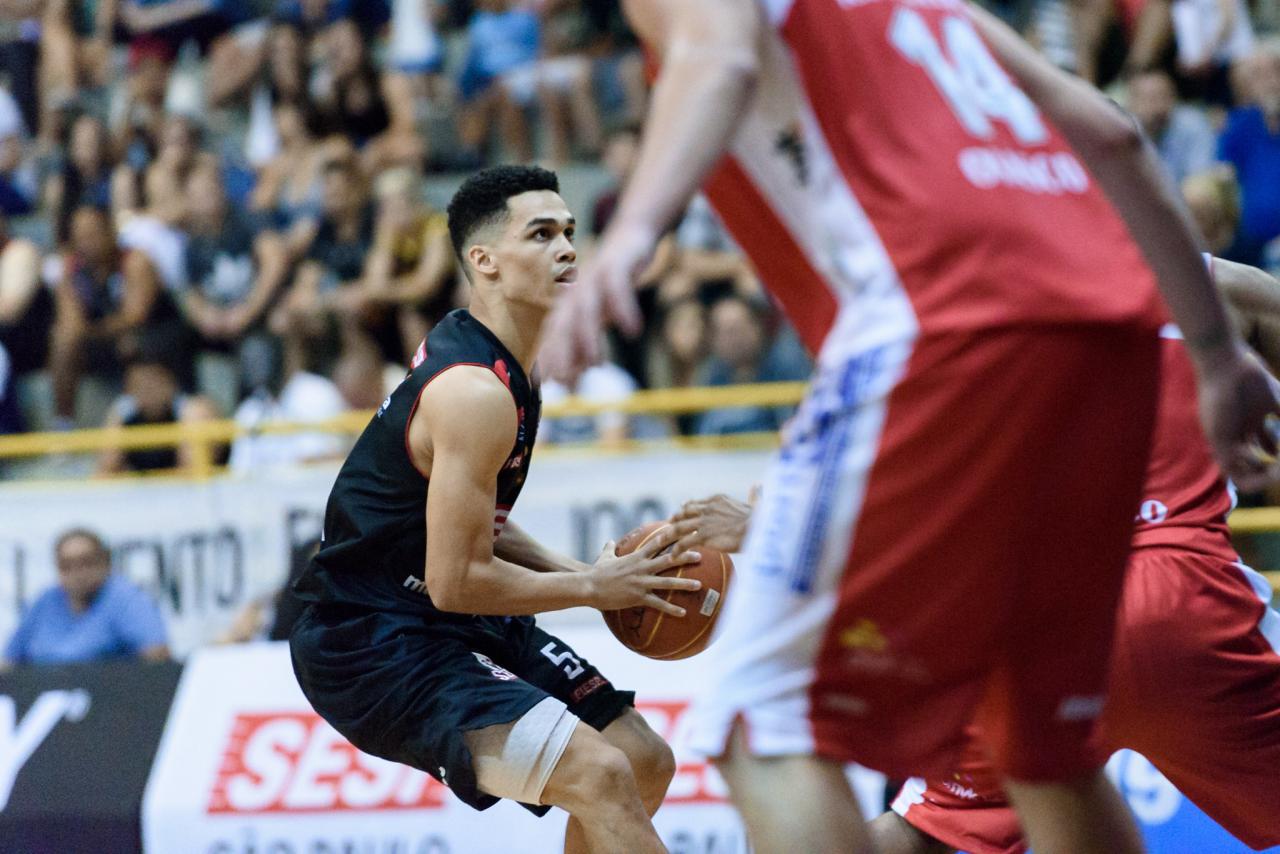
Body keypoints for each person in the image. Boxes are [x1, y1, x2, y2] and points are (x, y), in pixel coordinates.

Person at [542, 2, 1280, 853]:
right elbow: (1108, 132)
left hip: (937, 327)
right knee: (1040, 750)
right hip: (1095, 338)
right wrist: (1219, 357)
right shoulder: (936, 9)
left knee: (765, 720)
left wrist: (628, 236)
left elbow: (720, 56)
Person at [289, 165, 701, 854]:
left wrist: (581, 574)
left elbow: (482, 526)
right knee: (597, 774)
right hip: (370, 639)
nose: (567, 249)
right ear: (484, 261)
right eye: (541, 235)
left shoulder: (501, 356)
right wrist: (589, 588)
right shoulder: (475, 392)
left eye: (570, 232)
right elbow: (457, 579)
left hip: (439, 612)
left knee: (643, 760)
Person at [852, 257, 1280, 854]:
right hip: (1182, 594)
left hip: (1036, 626)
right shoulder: (1213, 287)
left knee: (923, 830)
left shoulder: (970, 308)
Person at [2, 528, 170, 667]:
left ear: (105, 563)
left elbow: (157, 654)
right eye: (66, 566)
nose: (77, 573)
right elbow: (8, 661)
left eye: (86, 563)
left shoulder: (124, 597)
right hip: (45, 696)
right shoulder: (46, 601)